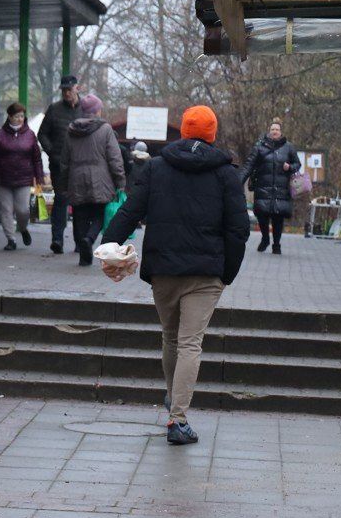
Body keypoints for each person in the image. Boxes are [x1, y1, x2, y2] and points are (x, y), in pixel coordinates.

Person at [99, 105, 249, 446]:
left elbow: (130, 210)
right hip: (205, 273)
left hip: (164, 269)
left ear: (182, 131)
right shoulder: (226, 175)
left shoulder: (156, 167)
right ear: (212, 134)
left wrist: (108, 244)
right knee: (190, 343)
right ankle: (178, 419)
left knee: (170, 337)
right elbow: (238, 229)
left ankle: (173, 400)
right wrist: (227, 272)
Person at [63, 93, 124, 266]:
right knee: (98, 214)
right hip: (100, 180)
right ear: (97, 111)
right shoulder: (105, 130)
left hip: (76, 179)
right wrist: (120, 181)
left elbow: (64, 160)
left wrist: (63, 184)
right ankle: (89, 239)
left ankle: (84, 256)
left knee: (80, 215)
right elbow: (115, 158)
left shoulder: (71, 130)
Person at [0, 102, 44, 251]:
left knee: (23, 210)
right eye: (17, 116)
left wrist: (39, 177)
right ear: (9, 117)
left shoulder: (30, 135)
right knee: (5, 209)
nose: (20, 119)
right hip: (3, 179)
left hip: (23, 179)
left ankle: (23, 228)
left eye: (22, 116)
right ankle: (10, 239)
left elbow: (37, 158)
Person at [242, 119, 300, 255]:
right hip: (263, 187)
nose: (275, 131)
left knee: (277, 218)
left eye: (277, 129)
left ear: (280, 132)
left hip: (281, 189)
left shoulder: (289, 147)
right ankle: (265, 238)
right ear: (269, 131)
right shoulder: (260, 146)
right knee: (262, 215)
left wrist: (289, 167)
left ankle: (276, 244)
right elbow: (249, 165)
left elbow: (297, 164)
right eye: (273, 129)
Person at [37, 74, 80, 254]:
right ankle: (57, 240)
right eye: (64, 90)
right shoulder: (54, 110)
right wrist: (52, 152)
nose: (66, 93)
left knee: (79, 203)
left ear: (77, 88)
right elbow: (42, 134)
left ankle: (80, 242)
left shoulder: (85, 109)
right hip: (59, 165)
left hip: (80, 165)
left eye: (69, 89)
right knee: (61, 201)